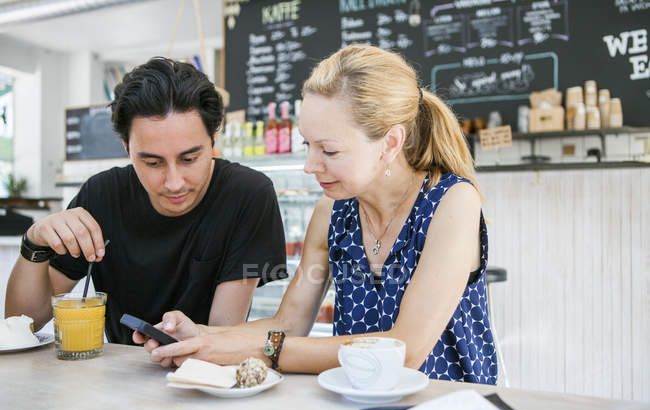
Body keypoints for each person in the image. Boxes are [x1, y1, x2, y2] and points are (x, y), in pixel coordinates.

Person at [138, 45, 497, 384]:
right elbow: (289, 323)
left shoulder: (452, 203)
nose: (311, 165)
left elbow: (406, 350)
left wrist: (254, 350)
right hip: (354, 403)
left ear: (389, 144)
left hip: (446, 408)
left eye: (329, 150)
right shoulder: (332, 211)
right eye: (308, 145)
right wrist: (200, 336)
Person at [5, 58, 287, 345]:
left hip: (207, 374)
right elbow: (20, 323)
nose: (174, 182)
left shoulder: (247, 194)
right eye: (153, 162)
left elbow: (223, 331)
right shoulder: (101, 195)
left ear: (213, 138)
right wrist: (33, 243)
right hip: (119, 374)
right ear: (126, 147)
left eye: (190, 159)